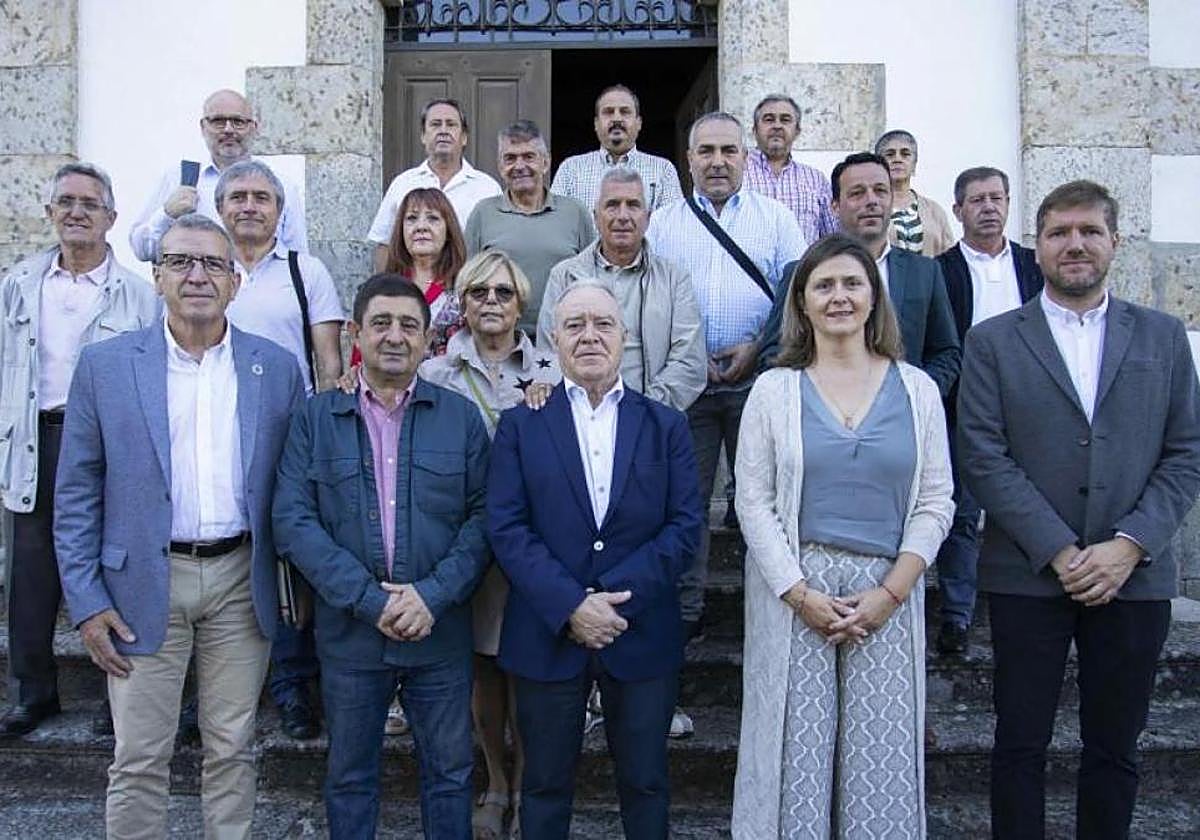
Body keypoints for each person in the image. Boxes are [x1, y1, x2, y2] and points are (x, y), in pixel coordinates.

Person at [958, 180, 1200, 840]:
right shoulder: (993, 341)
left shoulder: (1161, 336)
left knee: (1116, 749)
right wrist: (1061, 551)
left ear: (1114, 242)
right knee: (1018, 746)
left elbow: (1186, 453)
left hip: (1136, 576)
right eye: (1060, 233)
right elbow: (982, 455)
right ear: (1038, 248)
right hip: (1028, 574)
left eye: (1090, 231)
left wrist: (1128, 546)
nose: (1075, 244)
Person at [54, 213, 305, 838]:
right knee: (139, 756)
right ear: (158, 274)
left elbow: (296, 486)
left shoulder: (275, 369)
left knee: (234, 747)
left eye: (213, 264)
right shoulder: (105, 367)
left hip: (238, 580)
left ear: (235, 282)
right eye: (181, 262)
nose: (198, 275)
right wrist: (86, 603)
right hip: (139, 586)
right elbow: (77, 493)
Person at [731, 233, 953, 839]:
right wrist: (800, 593)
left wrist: (891, 594)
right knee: (793, 763)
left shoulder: (919, 391)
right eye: (823, 285)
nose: (839, 297)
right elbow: (753, 502)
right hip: (796, 591)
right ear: (801, 302)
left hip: (886, 590)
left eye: (852, 284)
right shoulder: (774, 391)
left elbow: (936, 500)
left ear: (874, 297)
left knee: (880, 761)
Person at [273, 275, 491, 839]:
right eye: (382, 323)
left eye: (409, 325)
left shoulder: (461, 418)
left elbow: (486, 518)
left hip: (438, 634)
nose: (395, 336)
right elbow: (293, 521)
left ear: (426, 338)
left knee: (450, 774)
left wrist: (431, 596)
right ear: (355, 333)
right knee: (349, 776)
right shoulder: (315, 418)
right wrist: (371, 602)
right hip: (351, 637)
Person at [487, 282, 702, 840]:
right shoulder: (520, 425)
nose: (589, 335)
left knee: (647, 783)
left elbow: (683, 529)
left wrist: (607, 599)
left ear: (624, 337)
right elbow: (508, 528)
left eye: (603, 324)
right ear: (553, 339)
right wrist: (572, 605)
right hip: (547, 632)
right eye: (575, 325)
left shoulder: (667, 426)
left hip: (640, 628)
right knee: (544, 786)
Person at [0, 163, 159, 739]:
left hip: (106, 442)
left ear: (112, 219)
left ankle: (115, 696)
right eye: (66, 202)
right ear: (49, 213)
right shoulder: (17, 285)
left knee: (111, 563)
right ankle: (32, 691)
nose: (77, 212)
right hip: (36, 437)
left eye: (90, 204)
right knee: (30, 571)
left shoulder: (139, 297)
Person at [646, 111, 806, 670]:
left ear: (746, 157)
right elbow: (653, 304)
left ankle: (771, 608)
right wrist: (688, 360)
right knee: (684, 505)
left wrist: (754, 347)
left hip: (758, 384)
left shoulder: (778, 220)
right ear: (688, 160)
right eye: (706, 151)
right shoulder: (663, 223)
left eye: (728, 151)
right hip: (687, 390)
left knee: (764, 502)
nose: (717, 161)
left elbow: (794, 299)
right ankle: (687, 615)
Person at [420, 250, 559, 839]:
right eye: (479, 293)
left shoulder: (554, 368)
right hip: (466, 538)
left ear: (520, 302)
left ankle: (528, 786)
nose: (492, 303)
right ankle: (496, 783)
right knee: (485, 670)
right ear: (463, 303)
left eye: (503, 293)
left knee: (529, 670)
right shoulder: (437, 372)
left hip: (538, 541)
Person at [210, 158, 345, 741]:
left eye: (261, 197)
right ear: (219, 208)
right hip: (212, 433)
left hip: (289, 435)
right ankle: (206, 695)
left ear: (279, 209)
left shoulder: (303, 271)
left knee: (287, 557)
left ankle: (292, 685)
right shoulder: (204, 269)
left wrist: (326, 429)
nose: (249, 205)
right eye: (237, 195)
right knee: (215, 552)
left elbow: (329, 360)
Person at [931, 166, 1044, 654]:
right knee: (959, 513)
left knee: (1032, 509)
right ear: (958, 211)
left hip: (1031, 408)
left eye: (996, 198)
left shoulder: (1034, 265)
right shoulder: (941, 270)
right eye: (976, 200)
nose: (989, 207)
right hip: (964, 408)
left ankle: (1031, 607)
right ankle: (958, 616)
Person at [760, 152, 960, 399]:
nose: (871, 201)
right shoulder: (800, 272)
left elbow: (946, 352)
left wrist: (915, 397)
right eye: (857, 193)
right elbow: (773, 352)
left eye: (880, 191)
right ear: (834, 206)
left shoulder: (924, 272)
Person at [538, 167, 706, 412]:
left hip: (652, 420)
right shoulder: (564, 276)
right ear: (596, 216)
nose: (623, 216)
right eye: (613, 205)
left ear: (648, 217)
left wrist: (642, 411)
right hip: (580, 419)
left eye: (633, 205)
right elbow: (548, 353)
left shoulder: (674, 280)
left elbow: (689, 362)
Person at [129, 89, 307, 262]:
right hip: (195, 289)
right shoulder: (178, 179)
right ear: (203, 127)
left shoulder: (281, 186)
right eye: (218, 121)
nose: (229, 129)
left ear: (254, 128)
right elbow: (142, 250)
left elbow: (298, 259)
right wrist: (167, 214)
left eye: (238, 121)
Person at [464, 120, 595, 337]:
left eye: (528, 157)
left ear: (545, 162)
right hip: (499, 339)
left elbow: (591, 279)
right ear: (500, 166)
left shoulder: (575, 213)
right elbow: (467, 282)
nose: (519, 166)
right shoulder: (483, 213)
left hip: (562, 338)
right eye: (510, 158)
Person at [368, 98, 501, 272]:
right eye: (436, 124)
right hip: (412, 292)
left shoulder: (487, 188)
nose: (443, 131)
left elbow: (496, 251)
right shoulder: (403, 183)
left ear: (464, 137)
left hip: (468, 291)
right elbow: (384, 244)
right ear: (423, 136)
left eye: (451, 124)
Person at [550, 84, 683, 212]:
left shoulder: (663, 170)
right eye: (609, 112)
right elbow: (557, 225)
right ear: (596, 124)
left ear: (639, 123)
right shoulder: (570, 170)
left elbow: (672, 227)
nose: (617, 118)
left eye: (625, 112)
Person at [383, 187, 469, 358]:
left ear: (449, 231)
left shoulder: (467, 288)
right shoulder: (383, 288)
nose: (421, 227)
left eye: (433, 219)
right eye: (412, 219)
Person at [743, 93, 839, 245]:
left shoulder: (815, 180)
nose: (777, 126)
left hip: (802, 268)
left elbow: (832, 239)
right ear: (754, 130)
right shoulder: (737, 174)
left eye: (785, 120)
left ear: (797, 131)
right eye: (769, 119)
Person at [875, 129, 955, 257]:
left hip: (929, 276)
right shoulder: (871, 207)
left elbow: (949, 256)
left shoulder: (934, 210)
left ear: (914, 164)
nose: (897, 159)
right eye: (890, 155)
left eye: (905, 154)